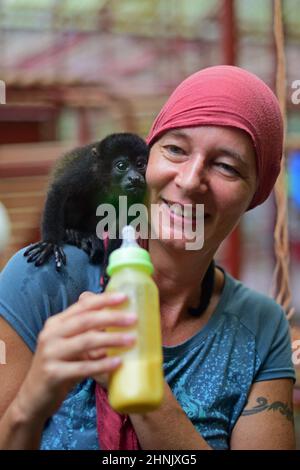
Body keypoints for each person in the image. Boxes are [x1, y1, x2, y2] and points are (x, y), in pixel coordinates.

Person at [0, 65, 296, 450]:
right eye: (174, 149)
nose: (190, 181)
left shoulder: (261, 327)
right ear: (149, 158)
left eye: (226, 166)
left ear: (255, 194)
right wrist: (33, 400)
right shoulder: (43, 278)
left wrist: (143, 389)